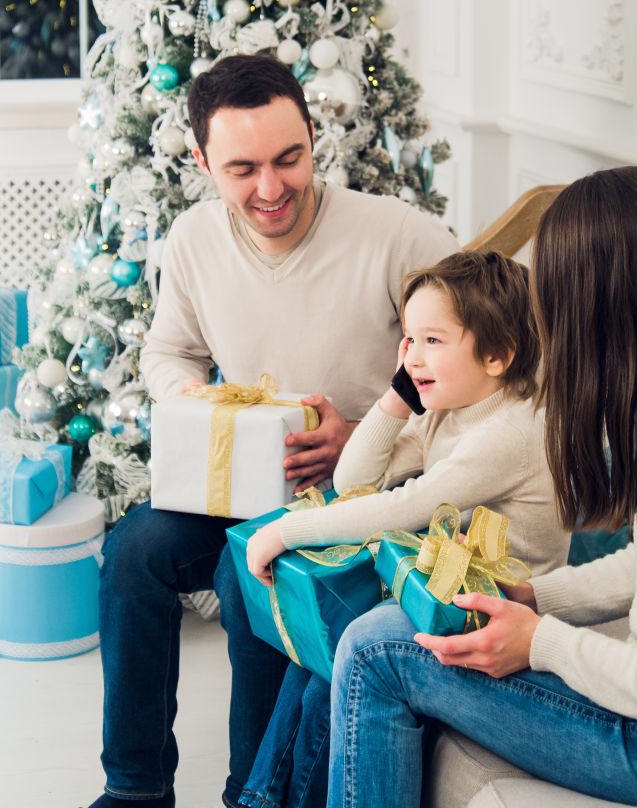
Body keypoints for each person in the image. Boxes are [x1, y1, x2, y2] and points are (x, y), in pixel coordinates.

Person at [327, 166, 637, 808]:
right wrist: (536, 597)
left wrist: (543, 643)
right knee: (391, 630)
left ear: (594, 310)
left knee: (377, 648)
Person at [86, 53, 457, 808]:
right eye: (242, 169)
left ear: (314, 138)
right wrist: (190, 395)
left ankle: (250, 794)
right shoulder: (193, 239)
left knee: (246, 574)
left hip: (361, 493)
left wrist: (367, 434)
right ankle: (135, 788)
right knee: (131, 555)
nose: (270, 188)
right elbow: (167, 350)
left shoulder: (400, 237)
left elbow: (472, 375)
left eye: (289, 159)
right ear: (202, 163)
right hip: (241, 484)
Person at [239, 250, 570, 808]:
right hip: (442, 591)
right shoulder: (450, 406)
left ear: (497, 355)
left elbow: (403, 507)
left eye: (433, 341)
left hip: (496, 615)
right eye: (409, 339)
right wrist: (399, 393)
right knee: (322, 653)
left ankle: (263, 799)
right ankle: (260, 798)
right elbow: (354, 479)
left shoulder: (510, 431)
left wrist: (288, 532)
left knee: (346, 648)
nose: (414, 356)